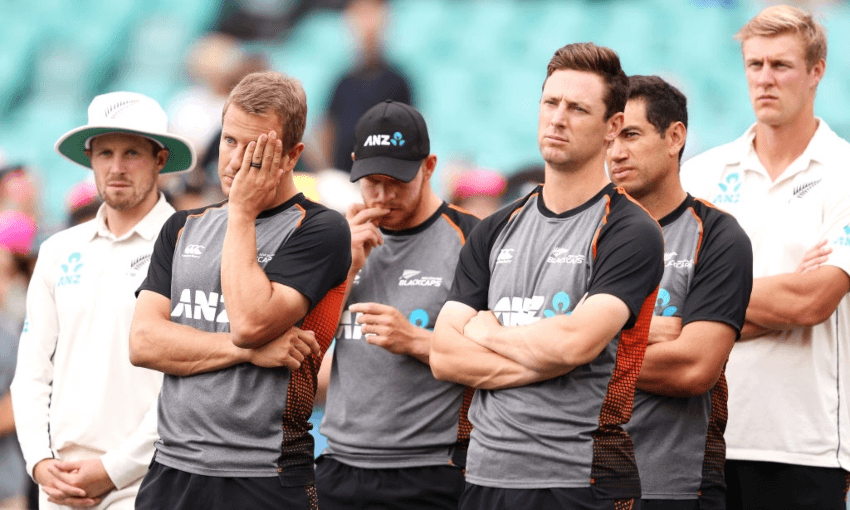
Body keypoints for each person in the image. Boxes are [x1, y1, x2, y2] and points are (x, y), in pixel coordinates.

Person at [429, 42, 665, 510]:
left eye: (578, 108)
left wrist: (487, 330)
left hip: (580, 483)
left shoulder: (631, 230)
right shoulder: (495, 228)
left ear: (612, 127)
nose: (558, 118)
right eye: (550, 103)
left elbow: (574, 345)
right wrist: (544, 360)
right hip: (484, 476)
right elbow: (443, 356)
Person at [129, 71, 351, 510]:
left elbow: (250, 322)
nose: (234, 161)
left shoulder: (321, 229)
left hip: (263, 475)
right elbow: (143, 343)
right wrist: (245, 353)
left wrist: (243, 212)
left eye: (255, 149)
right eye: (229, 141)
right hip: (172, 469)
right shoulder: (181, 226)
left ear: (292, 157)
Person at [681, 5, 850, 509]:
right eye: (755, 65)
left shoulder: (845, 172)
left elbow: (813, 303)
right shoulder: (701, 175)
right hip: (701, 440)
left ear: (817, 71)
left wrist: (711, 307)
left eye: (782, 65)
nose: (765, 79)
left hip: (806, 444)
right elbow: (670, 302)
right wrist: (779, 294)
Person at [10, 91, 196, 509]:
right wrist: (41, 462)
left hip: (152, 482)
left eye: (132, 152)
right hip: (61, 484)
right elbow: (32, 373)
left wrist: (115, 469)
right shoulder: (58, 250)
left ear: (160, 160)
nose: (116, 167)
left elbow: (189, 384)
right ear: (89, 158)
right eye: (105, 152)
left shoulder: (191, 247)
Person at [315, 100, 479, 509]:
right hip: (339, 465)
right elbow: (302, 344)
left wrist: (417, 341)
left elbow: (500, 357)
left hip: (432, 471)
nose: (384, 195)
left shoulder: (473, 239)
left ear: (429, 166)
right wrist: (344, 270)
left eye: (398, 180)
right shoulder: (335, 241)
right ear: (353, 165)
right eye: (372, 181)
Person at [608, 75, 753, 510]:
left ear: (675, 137)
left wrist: (573, 351)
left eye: (631, 135)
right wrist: (647, 332)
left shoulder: (719, 236)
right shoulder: (584, 233)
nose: (615, 152)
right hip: (578, 486)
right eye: (609, 137)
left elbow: (693, 368)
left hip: (672, 489)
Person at [306, 0, 413, 173]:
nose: (368, 23)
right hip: (344, 182)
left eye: (373, 13)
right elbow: (325, 132)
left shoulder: (398, 83)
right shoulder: (341, 84)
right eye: (362, 14)